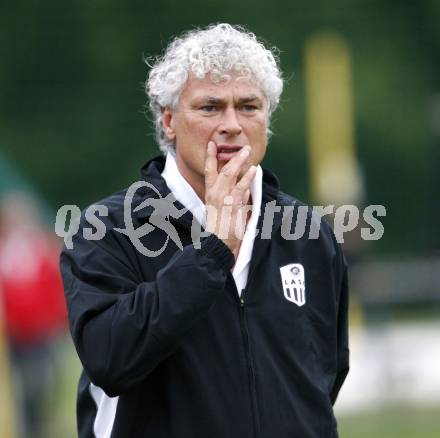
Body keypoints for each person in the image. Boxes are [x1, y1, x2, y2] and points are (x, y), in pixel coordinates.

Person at [60, 23, 349, 438]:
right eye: (210, 108)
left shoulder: (309, 234)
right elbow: (110, 358)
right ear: (169, 121)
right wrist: (211, 252)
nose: (231, 124)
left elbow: (324, 376)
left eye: (249, 107)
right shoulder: (107, 229)